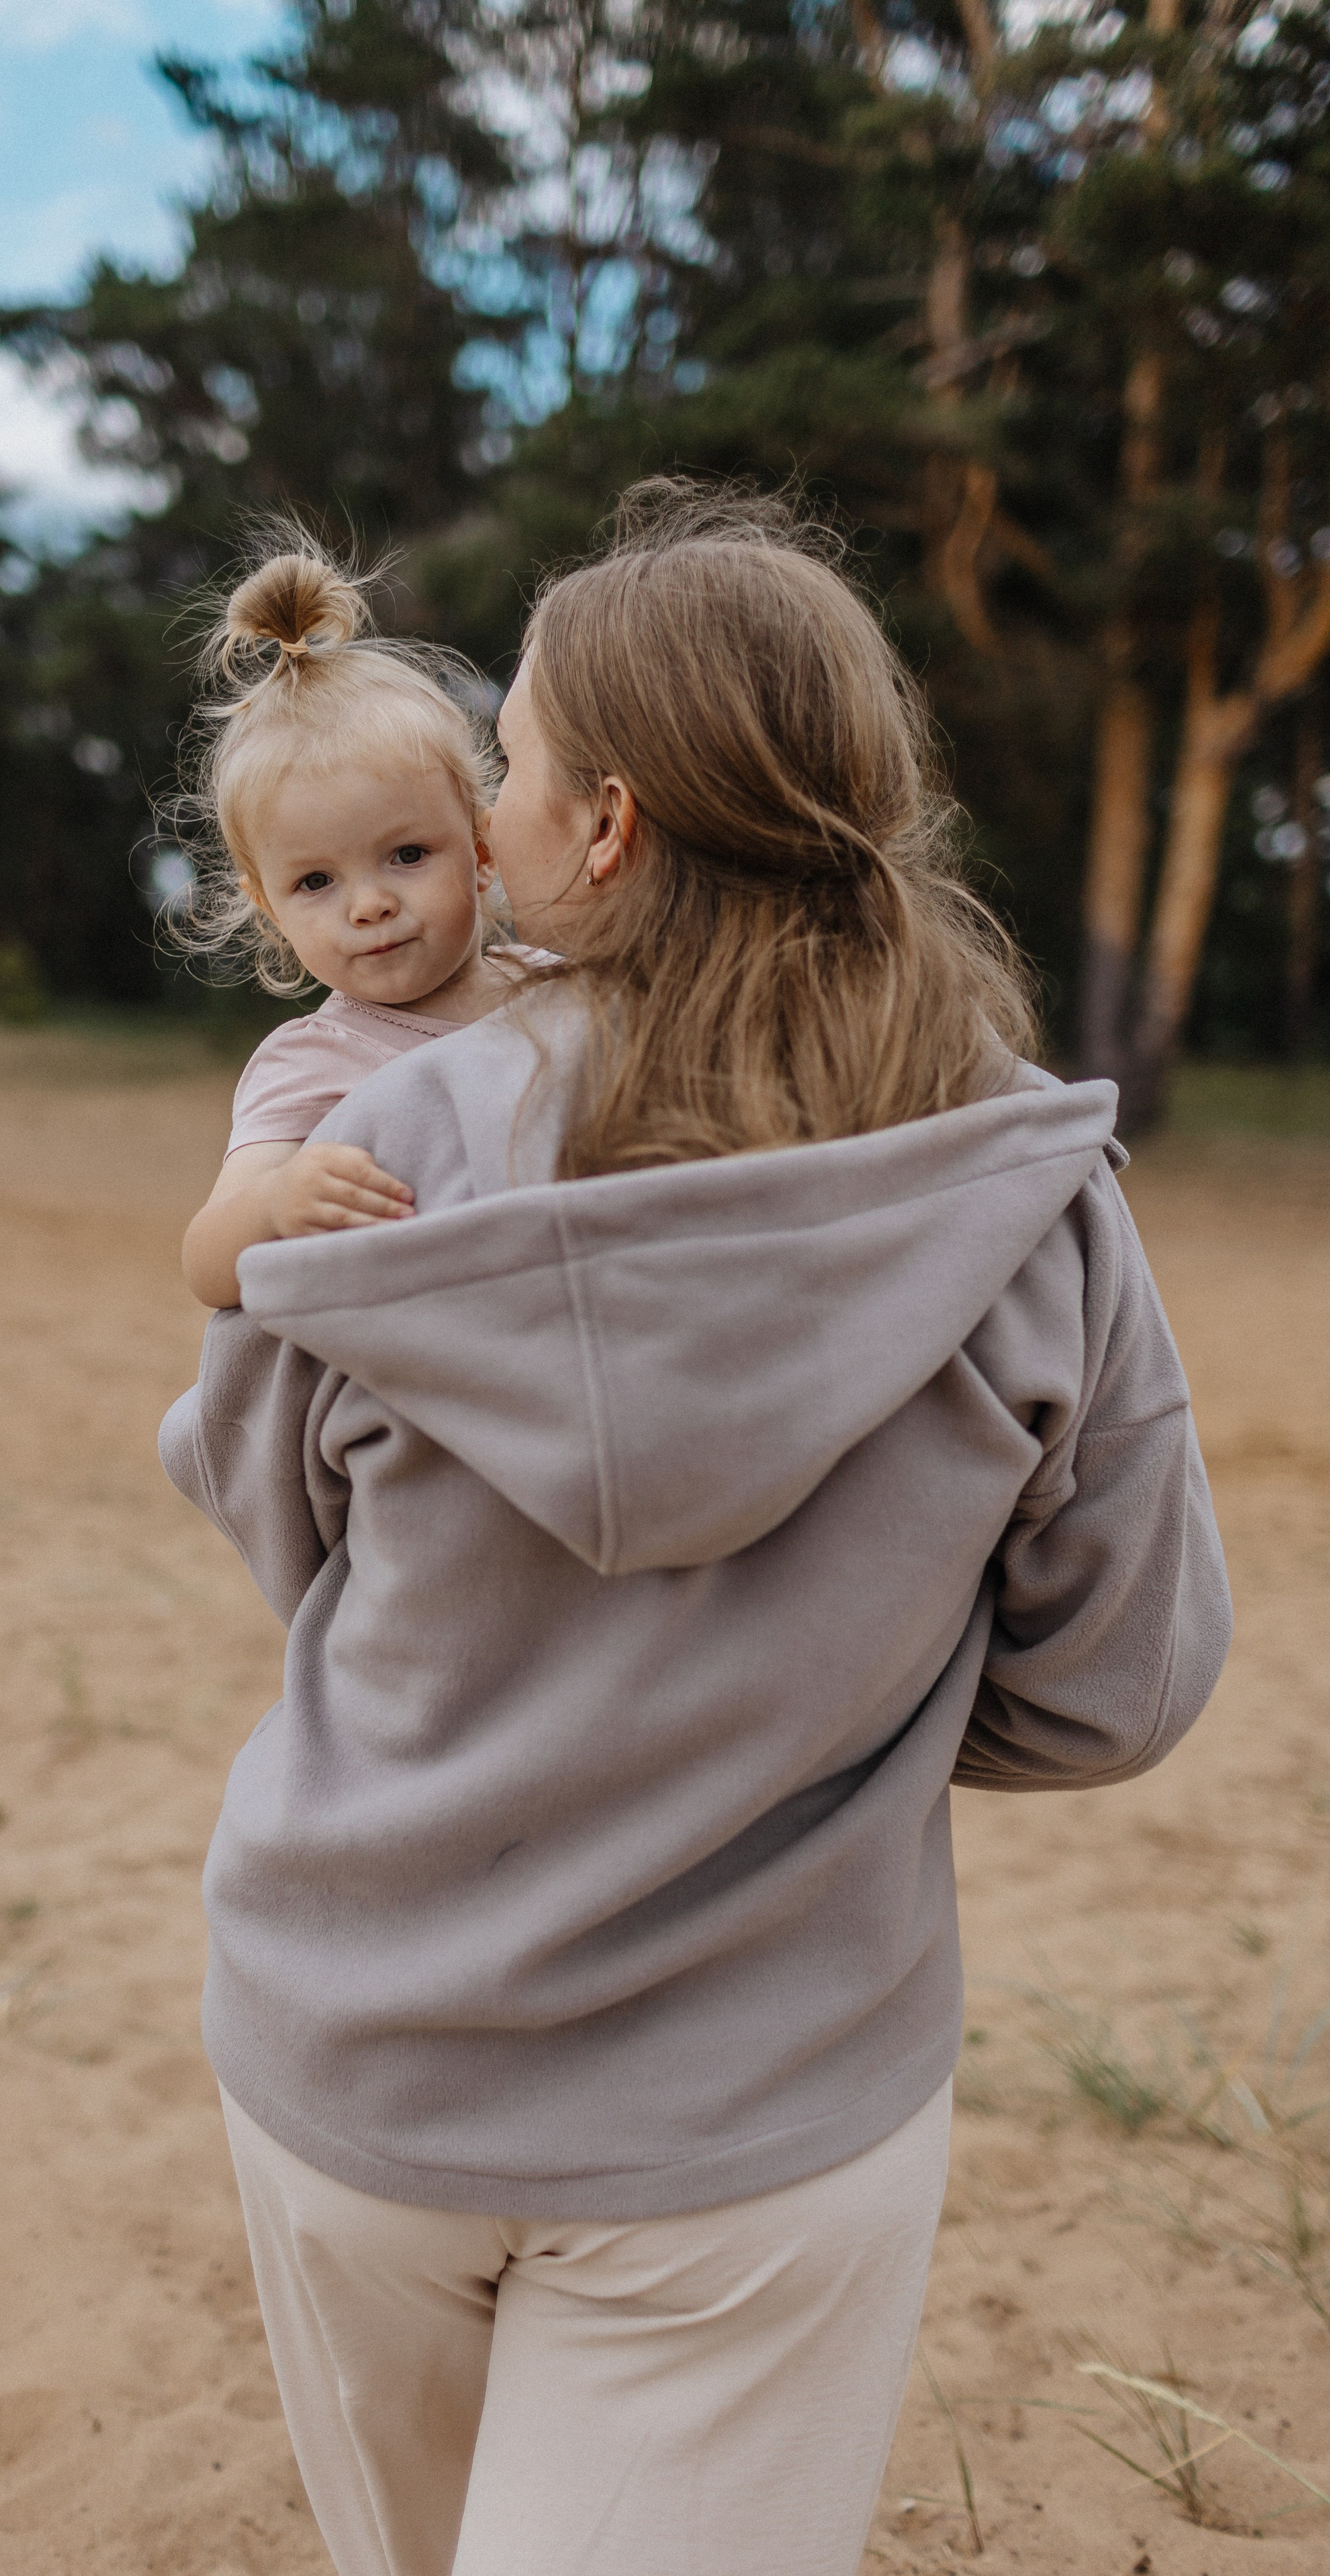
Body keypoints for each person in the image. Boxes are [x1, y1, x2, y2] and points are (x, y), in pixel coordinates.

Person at [158, 480, 1231, 2576]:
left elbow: (288, 1542)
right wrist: (816, 1724)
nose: (480, 814)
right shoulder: (1024, 1188)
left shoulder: (364, 1157)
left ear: (606, 826)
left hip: (354, 2044)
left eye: (509, 765)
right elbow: (1112, 1689)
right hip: (761, 2108)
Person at [176, 539, 541, 1311]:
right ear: (269, 908)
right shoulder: (310, 1062)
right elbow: (206, 1262)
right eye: (315, 881)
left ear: (480, 849)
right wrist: (274, 1206)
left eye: (407, 854)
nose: (368, 904)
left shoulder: (561, 988)